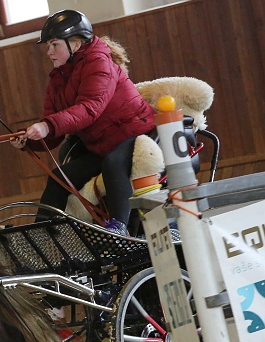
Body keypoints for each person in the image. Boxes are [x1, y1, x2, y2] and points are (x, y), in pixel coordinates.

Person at [11, 9, 156, 235]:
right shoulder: (58, 78)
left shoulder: (99, 63)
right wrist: (30, 139)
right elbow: (54, 128)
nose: (49, 52)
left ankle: (119, 227)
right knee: (60, 177)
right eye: (48, 46)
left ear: (75, 44)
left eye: (54, 45)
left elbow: (90, 108)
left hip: (134, 136)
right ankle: (39, 235)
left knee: (113, 164)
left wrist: (46, 126)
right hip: (102, 147)